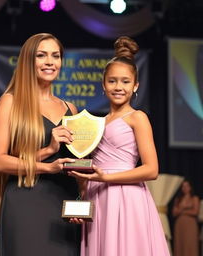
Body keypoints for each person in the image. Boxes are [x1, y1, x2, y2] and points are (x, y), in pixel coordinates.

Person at [69, 36, 170, 256]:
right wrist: (81, 200)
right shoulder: (96, 123)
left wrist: (105, 178)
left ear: (135, 86)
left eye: (125, 81)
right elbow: (88, 167)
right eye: (112, 81)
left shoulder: (138, 117)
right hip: (98, 197)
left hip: (127, 196)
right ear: (103, 85)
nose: (118, 87)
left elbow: (151, 170)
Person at [0, 33, 81, 256]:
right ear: (28, 60)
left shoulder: (71, 109)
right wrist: (48, 156)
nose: (50, 62)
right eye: (41, 55)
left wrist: (83, 200)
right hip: (25, 202)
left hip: (63, 207)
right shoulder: (10, 102)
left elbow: (76, 165)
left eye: (55, 56)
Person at [172, 179, 200, 256]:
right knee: (180, 243)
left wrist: (182, 210)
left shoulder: (194, 198)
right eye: (183, 186)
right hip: (180, 224)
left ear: (190, 187)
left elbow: (195, 212)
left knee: (190, 243)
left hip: (190, 224)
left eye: (187, 186)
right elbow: (174, 212)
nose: (185, 188)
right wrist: (184, 209)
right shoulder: (178, 199)